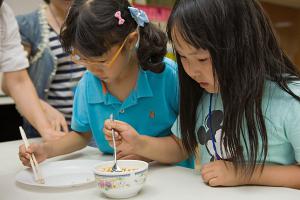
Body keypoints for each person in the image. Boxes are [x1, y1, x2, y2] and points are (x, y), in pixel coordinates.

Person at [101, 0, 300, 189]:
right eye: (184, 57)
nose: (192, 71)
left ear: (242, 46)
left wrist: (244, 173)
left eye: (202, 59)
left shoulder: (288, 100)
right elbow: (181, 145)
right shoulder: (206, 91)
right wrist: (139, 143)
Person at [19, 0, 192, 167]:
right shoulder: (88, 84)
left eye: (102, 61)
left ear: (130, 41)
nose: (93, 71)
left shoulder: (169, 78)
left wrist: (141, 147)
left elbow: (185, 147)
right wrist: (46, 150)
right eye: (84, 60)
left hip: (171, 180)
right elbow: (81, 135)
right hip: (118, 180)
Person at [14, 0, 86, 137]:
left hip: (91, 126)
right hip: (52, 127)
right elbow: (10, 82)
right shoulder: (29, 25)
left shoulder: (92, 17)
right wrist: (40, 106)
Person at [0, 1, 65, 140]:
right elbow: (8, 84)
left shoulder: (4, 16)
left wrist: (47, 131)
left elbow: (18, 80)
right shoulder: (30, 24)